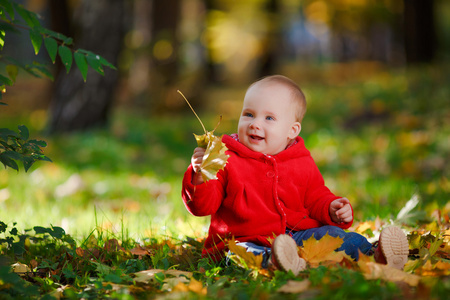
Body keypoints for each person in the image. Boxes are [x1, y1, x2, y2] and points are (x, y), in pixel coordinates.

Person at [181, 75, 409, 275]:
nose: (255, 124)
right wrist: (200, 176)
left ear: (292, 130)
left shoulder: (300, 160)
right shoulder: (225, 158)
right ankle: (277, 263)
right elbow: (203, 206)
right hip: (244, 240)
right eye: (249, 114)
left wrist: (331, 207)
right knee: (242, 255)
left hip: (296, 236)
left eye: (269, 118)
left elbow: (315, 195)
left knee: (333, 235)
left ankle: (375, 254)